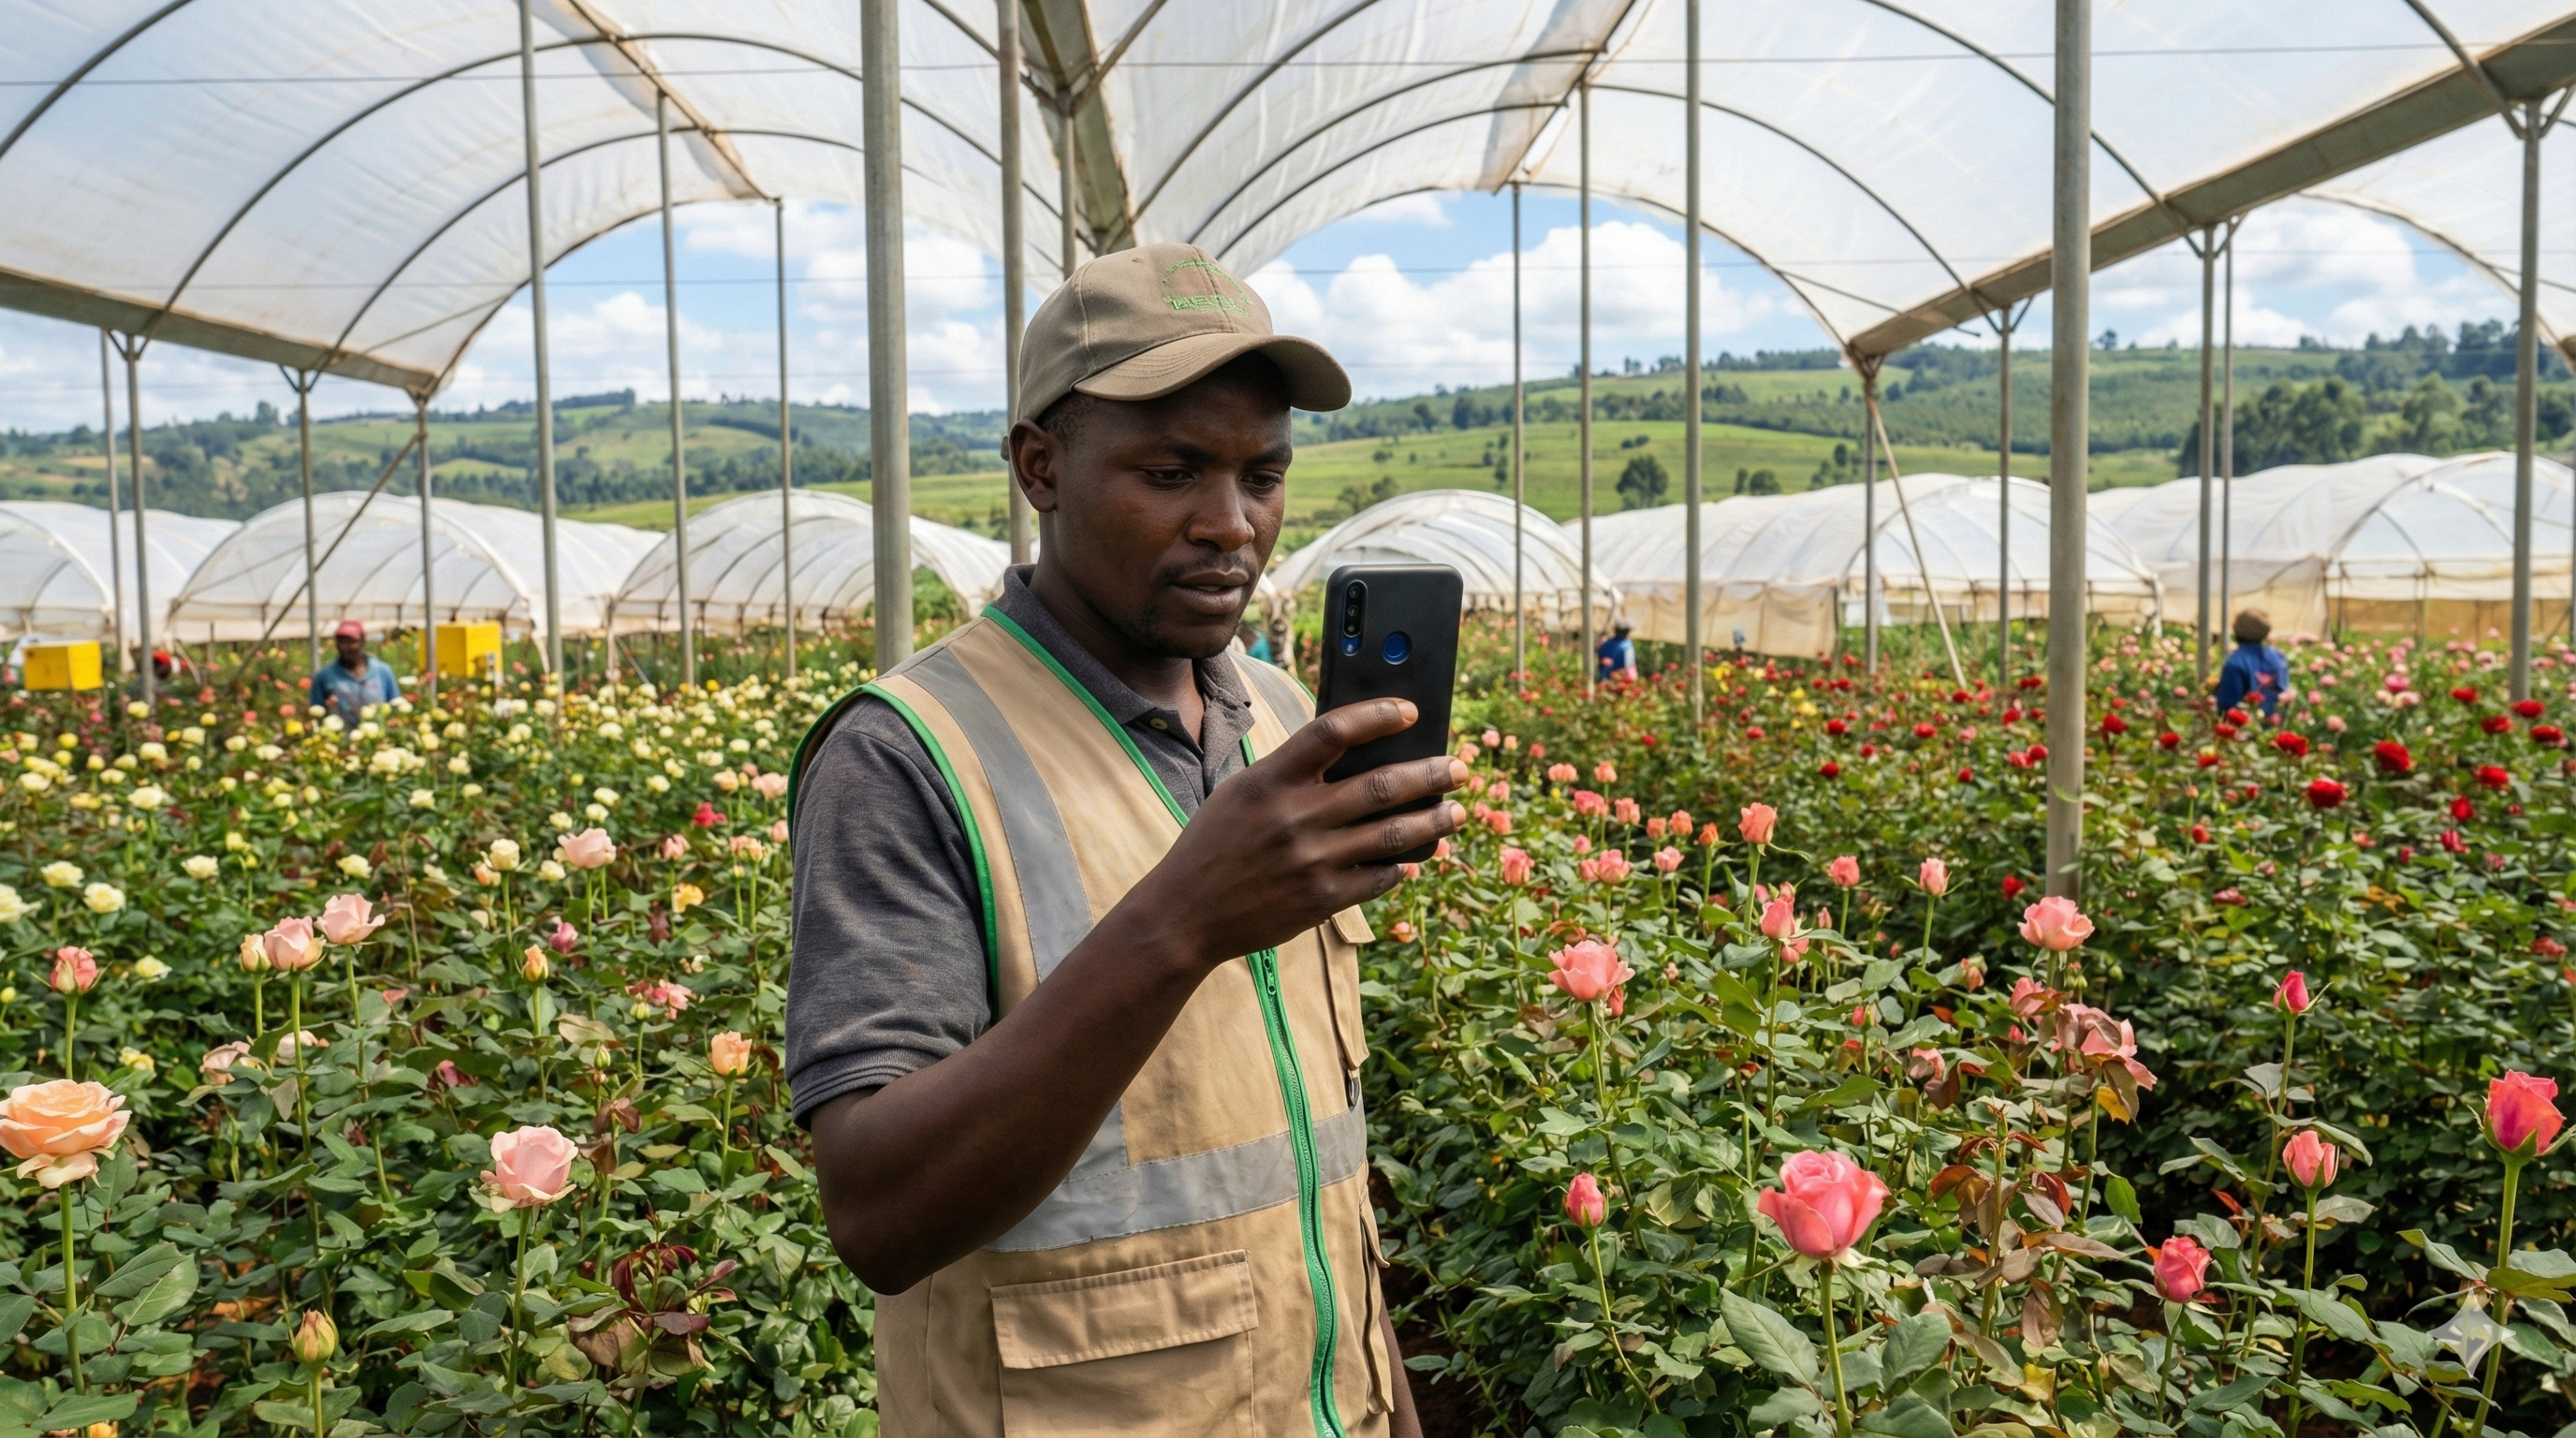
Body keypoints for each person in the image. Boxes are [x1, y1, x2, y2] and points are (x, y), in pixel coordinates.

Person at [789, 242, 1454, 1438]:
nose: (1229, 524)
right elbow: (880, 1215)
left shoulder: (1291, 726)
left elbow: (1310, 1173)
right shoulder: (907, 753)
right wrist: (1184, 917)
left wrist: (1388, 1407)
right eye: (1170, 470)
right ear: (1040, 466)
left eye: (1264, 474)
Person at [309, 620, 398, 725]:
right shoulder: (324, 676)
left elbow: (395, 707)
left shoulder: (382, 671)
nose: (345, 647)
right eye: (341, 641)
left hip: (378, 738)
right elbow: (315, 713)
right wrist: (329, 708)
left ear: (363, 641)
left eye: (351, 642)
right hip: (340, 739)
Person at [2214, 608, 2291, 720]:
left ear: (2236, 630)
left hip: (2248, 727)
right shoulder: (2278, 657)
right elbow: (2284, 693)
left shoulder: (2235, 662)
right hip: (2277, 724)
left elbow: (2228, 705)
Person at [1596, 620, 1637, 684]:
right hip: (1620, 681)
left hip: (1604, 680)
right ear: (1627, 632)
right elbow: (1629, 665)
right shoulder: (1627, 645)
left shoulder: (1606, 644)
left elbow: (1599, 657)